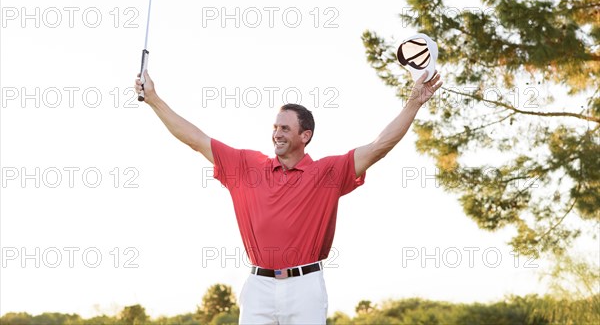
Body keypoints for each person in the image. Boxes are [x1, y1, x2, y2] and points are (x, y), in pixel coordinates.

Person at [134, 70, 442, 324]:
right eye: (275, 127)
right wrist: (153, 100)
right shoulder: (246, 165)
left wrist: (414, 102)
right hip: (258, 287)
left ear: (304, 135)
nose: (277, 134)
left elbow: (378, 147)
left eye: (285, 128)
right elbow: (196, 139)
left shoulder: (328, 172)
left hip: (305, 287)